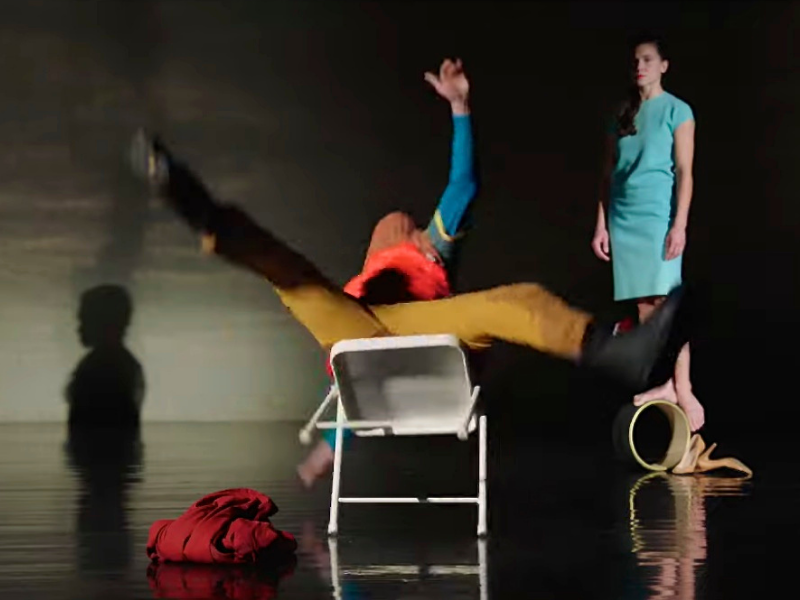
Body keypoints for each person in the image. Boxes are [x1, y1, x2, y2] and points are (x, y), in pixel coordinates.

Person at [127, 103, 691, 459]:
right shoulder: (363, 284)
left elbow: (463, 184)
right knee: (294, 277)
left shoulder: (432, 252)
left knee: (513, 301)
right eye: (396, 229)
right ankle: (206, 213)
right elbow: (346, 379)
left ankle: (612, 352)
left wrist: (461, 108)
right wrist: (326, 451)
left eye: (409, 227)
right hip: (364, 338)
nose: (403, 226)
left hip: (430, 339)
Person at [293, 58, 478, 486]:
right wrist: (460, 108)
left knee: (352, 359)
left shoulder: (366, 287)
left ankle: (329, 448)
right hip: (434, 381)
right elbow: (463, 184)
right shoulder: (428, 248)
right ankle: (330, 446)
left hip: (374, 380)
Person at [592, 35, 704, 432]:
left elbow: (686, 171)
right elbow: (607, 174)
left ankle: (682, 386)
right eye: (635, 61)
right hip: (625, 217)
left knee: (666, 303)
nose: (640, 66)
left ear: (663, 65)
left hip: (658, 214)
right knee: (644, 306)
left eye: (648, 59)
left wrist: (680, 224)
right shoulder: (622, 113)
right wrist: (601, 223)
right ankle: (665, 383)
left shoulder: (678, 110)